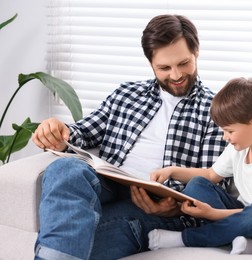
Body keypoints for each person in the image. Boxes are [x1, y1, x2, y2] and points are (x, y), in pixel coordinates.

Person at [32, 14, 227, 260]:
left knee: (70, 240)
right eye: (164, 68)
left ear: (196, 53)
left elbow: (212, 183)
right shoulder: (127, 94)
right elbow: (83, 132)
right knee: (65, 168)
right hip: (111, 182)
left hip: (158, 206)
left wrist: (172, 209)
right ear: (150, 63)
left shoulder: (216, 110)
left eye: (184, 63)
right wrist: (60, 133)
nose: (176, 75)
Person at [148, 77, 252, 254]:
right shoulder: (239, 147)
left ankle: (186, 238)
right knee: (197, 185)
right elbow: (211, 175)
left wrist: (211, 213)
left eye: (229, 131)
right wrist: (172, 171)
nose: (225, 137)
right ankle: (248, 240)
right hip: (248, 213)